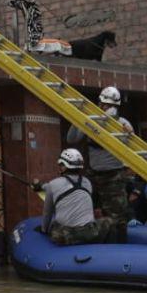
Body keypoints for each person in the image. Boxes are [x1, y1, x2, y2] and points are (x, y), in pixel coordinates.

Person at [66, 86, 134, 242]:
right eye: (103, 104)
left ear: (116, 107)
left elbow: (131, 149)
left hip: (114, 177)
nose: (105, 108)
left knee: (118, 216)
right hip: (94, 175)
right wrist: (78, 119)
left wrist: (129, 134)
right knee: (91, 212)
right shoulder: (91, 122)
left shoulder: (122, 124)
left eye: (109, 106)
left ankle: (120, 248)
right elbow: (71, 139)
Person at [41, 148, 112, 245]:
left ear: (64, 167)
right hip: (89, 234)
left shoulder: (52, 185)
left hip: (66, 236)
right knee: (108, 221)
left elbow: (47, 213)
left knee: (54, 224)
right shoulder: (87, 182)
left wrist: (44, 230)